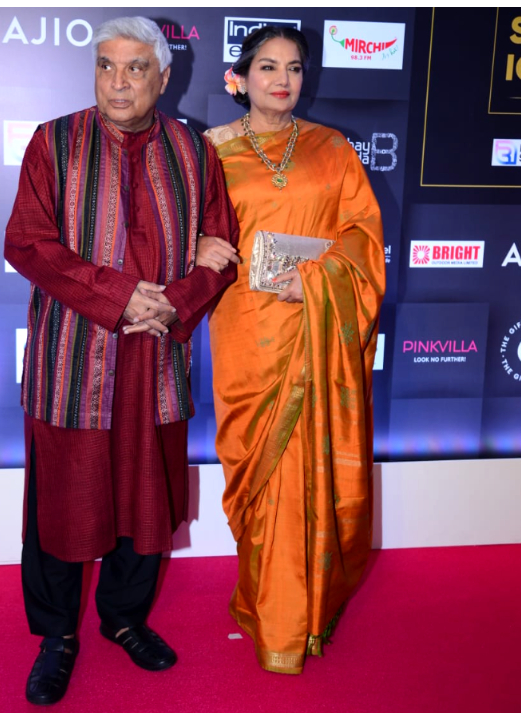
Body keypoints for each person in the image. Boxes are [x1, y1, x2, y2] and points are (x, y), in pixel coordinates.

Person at [4, 16, 241, 706]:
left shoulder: (193, 152)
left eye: (135, 68)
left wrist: (175, 301)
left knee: (146, 502)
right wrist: (118, 297)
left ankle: (124, 618)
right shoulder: (54, 141)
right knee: (62, 505)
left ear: (164, 78)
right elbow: (28, 243)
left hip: (157, 361)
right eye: (106, 66)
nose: (118, 82)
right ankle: (57, 637)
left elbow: (220, 243)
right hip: (73, 358)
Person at [200, 25, 385, 675]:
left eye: (296, 68)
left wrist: (317, 280)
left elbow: (362, 242)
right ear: (240, 77)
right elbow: (183, 233)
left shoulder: (332, 149)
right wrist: (198, 247)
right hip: (247, 332)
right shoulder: (209, 152)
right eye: (268, 66)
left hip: (316, 334)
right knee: (258, 473)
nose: (283, 79)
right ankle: (266, 601)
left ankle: (294, 616)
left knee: (305, 474)